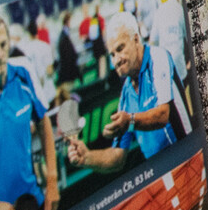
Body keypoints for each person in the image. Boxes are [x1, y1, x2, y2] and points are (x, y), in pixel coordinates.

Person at [67, 13, 186, 173]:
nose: (116, 60)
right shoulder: (126, 93)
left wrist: (130, 121)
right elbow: (118, 157)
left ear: (136, 40)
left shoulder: (157, 57)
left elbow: (163, 115)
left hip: (186, 159)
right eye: (112, 55)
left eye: (120, 49)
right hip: (160, 174)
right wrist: (87, 158)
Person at [0, 14, 57, 210]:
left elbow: (43, 120)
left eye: (3, 46)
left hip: (33, 206)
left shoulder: (23, 72)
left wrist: (52, 180)